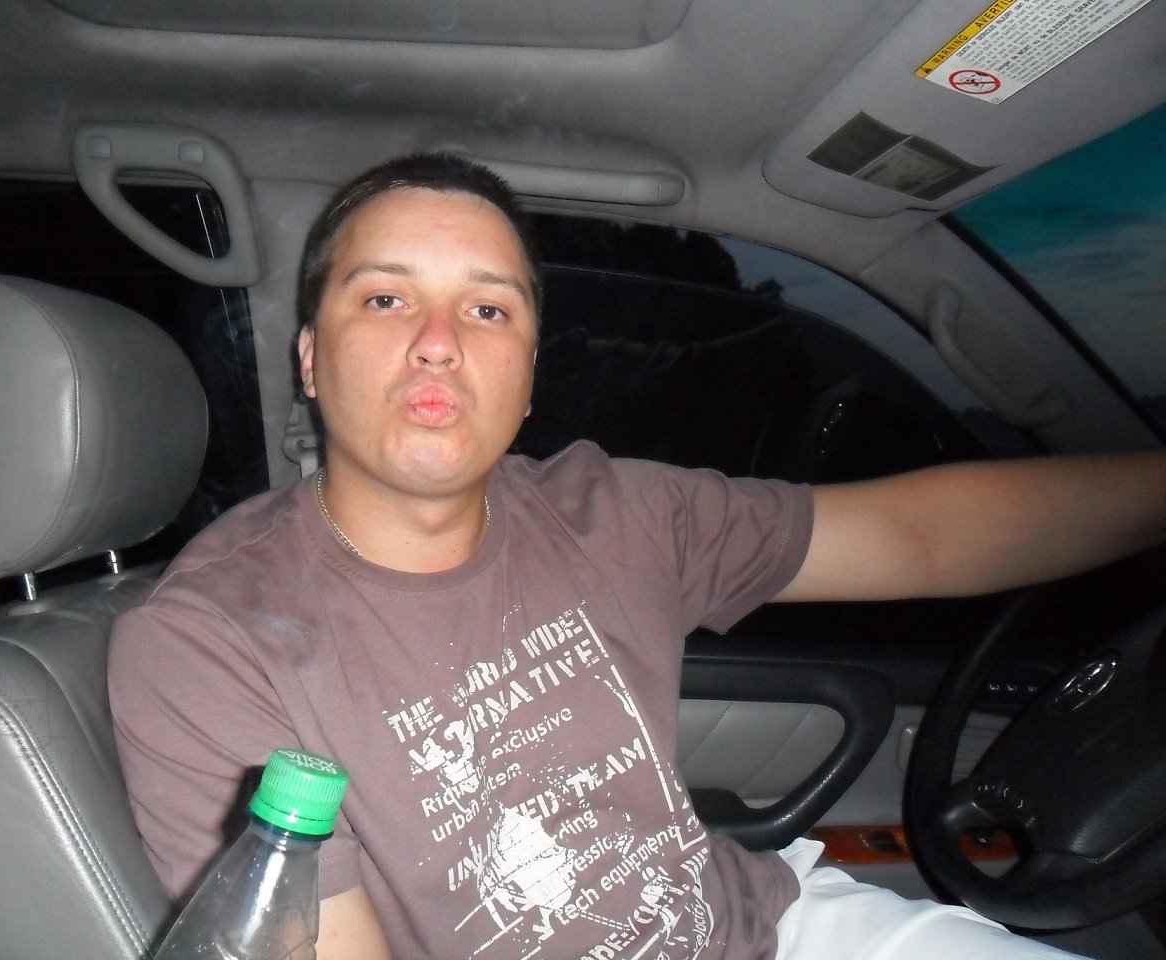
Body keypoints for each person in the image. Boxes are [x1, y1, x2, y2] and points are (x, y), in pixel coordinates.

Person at [108, 153, 1166, 960]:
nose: (438, 340)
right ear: (309, 356)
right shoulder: (208, 643)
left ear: (527, 377)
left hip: (774, 932)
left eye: (488, 308)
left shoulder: (606, 512)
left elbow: (919, 534)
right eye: (385, 298)